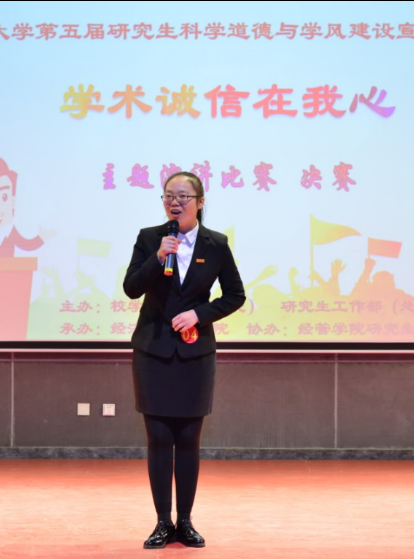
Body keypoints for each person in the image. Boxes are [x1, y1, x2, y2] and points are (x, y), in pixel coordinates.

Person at [123, 171, 245, 549]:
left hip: (195, 353)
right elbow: (131, 288)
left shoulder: (216, 243)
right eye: (168, 196)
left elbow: (235, 295)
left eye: (183, 196)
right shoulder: (150, 238)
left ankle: (186, 521)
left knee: (189, 438)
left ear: (200, 202)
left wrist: (199, 314)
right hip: (153, 351)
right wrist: (158, 257)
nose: (174, 202)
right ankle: (163, 522)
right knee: (159, 438)